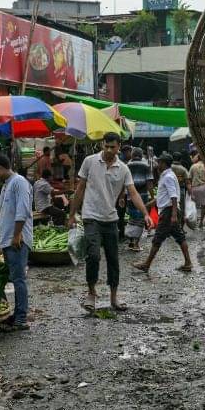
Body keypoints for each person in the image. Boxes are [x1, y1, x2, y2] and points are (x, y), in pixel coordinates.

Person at [68, 132, 151, 312]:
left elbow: (133, 193)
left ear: (118, 147)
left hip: (111, 219)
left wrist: (145, 213)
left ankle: (114, 297)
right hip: (90, 216)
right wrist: (72, 214)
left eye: (112, 147)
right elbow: (80, 189)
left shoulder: (124, 169)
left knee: (113, 259)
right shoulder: (90, 161)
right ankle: (91, 292)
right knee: (93, 255)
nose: (108, 150)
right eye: (106, 146)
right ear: (102, 144)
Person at [0, 154, 32, 330]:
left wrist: (17, 235)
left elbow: (22, 211)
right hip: (8, 240)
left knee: (19, 279)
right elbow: (5, 215)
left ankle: (21, 318)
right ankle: (16, 315)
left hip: (16, 240)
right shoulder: (7, 185)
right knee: (15, 278)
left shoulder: (19, 182)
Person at [134, 153, 193, 275]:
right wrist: (148, 205)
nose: (157, 164)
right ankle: (188, 262)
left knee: (158, 238)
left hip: (168, 211)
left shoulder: (168, 177)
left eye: (159, 162)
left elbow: (173, 196)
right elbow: (163, 196)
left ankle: (146, 264)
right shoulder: (166, 176)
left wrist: (174, 215)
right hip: (169, 210)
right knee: (179, 237)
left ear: (164, 163)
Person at [188, 154, 205, 228]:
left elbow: (189, 178)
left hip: (194, 187)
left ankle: (194, 220)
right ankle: (201, 222)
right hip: (204, 187)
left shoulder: (193, 166)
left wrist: (190, 188)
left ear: (197, 158)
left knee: (193, 205)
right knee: (203, 205)